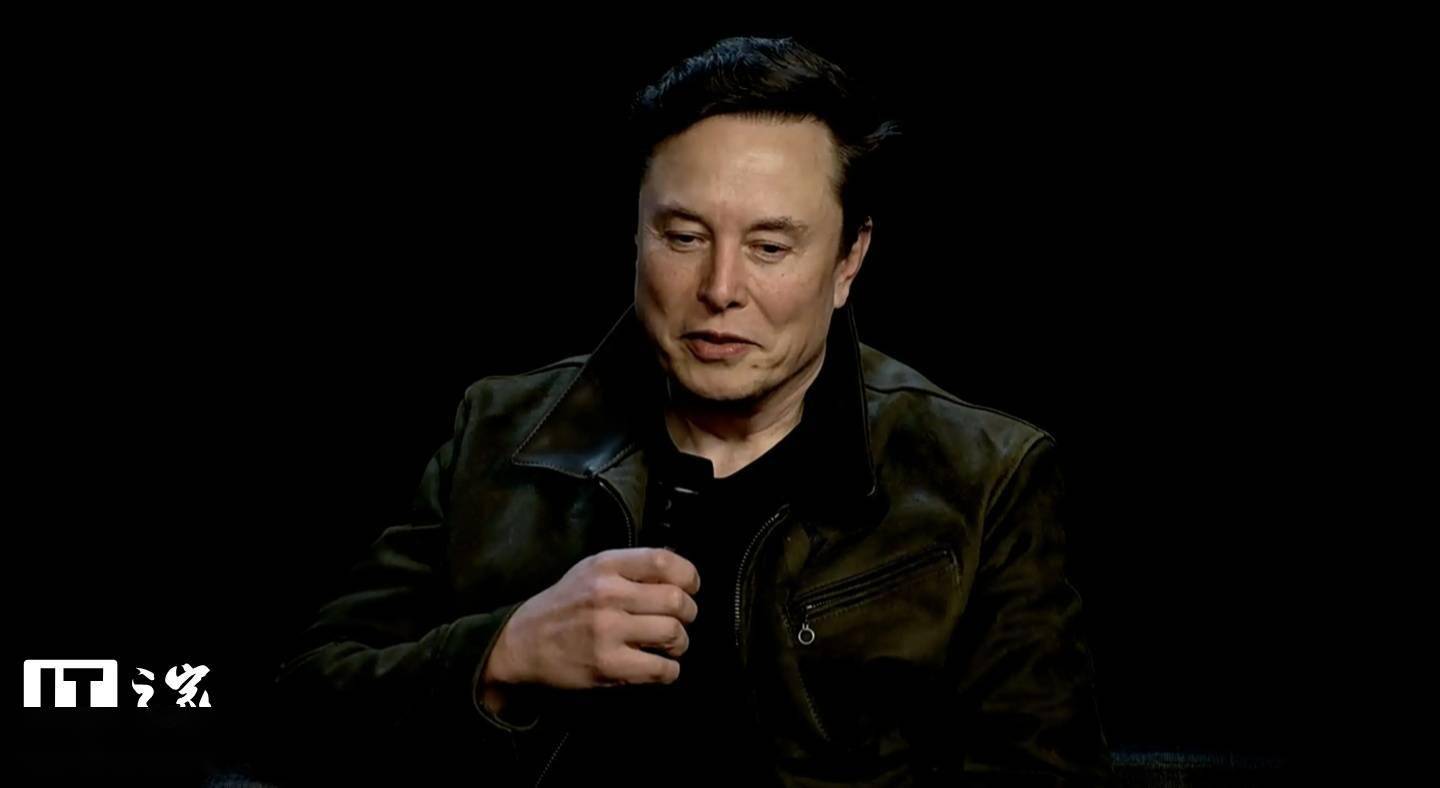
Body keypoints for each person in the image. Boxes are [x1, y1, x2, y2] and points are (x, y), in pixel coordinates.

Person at [274, 35, 1109, 786]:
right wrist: (501, 655)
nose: (720, 289)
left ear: (848, 259)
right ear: (636, 236)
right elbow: (295, 714)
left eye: (770, 247)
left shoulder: (985, 475)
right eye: (683, 238)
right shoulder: (500, 430)